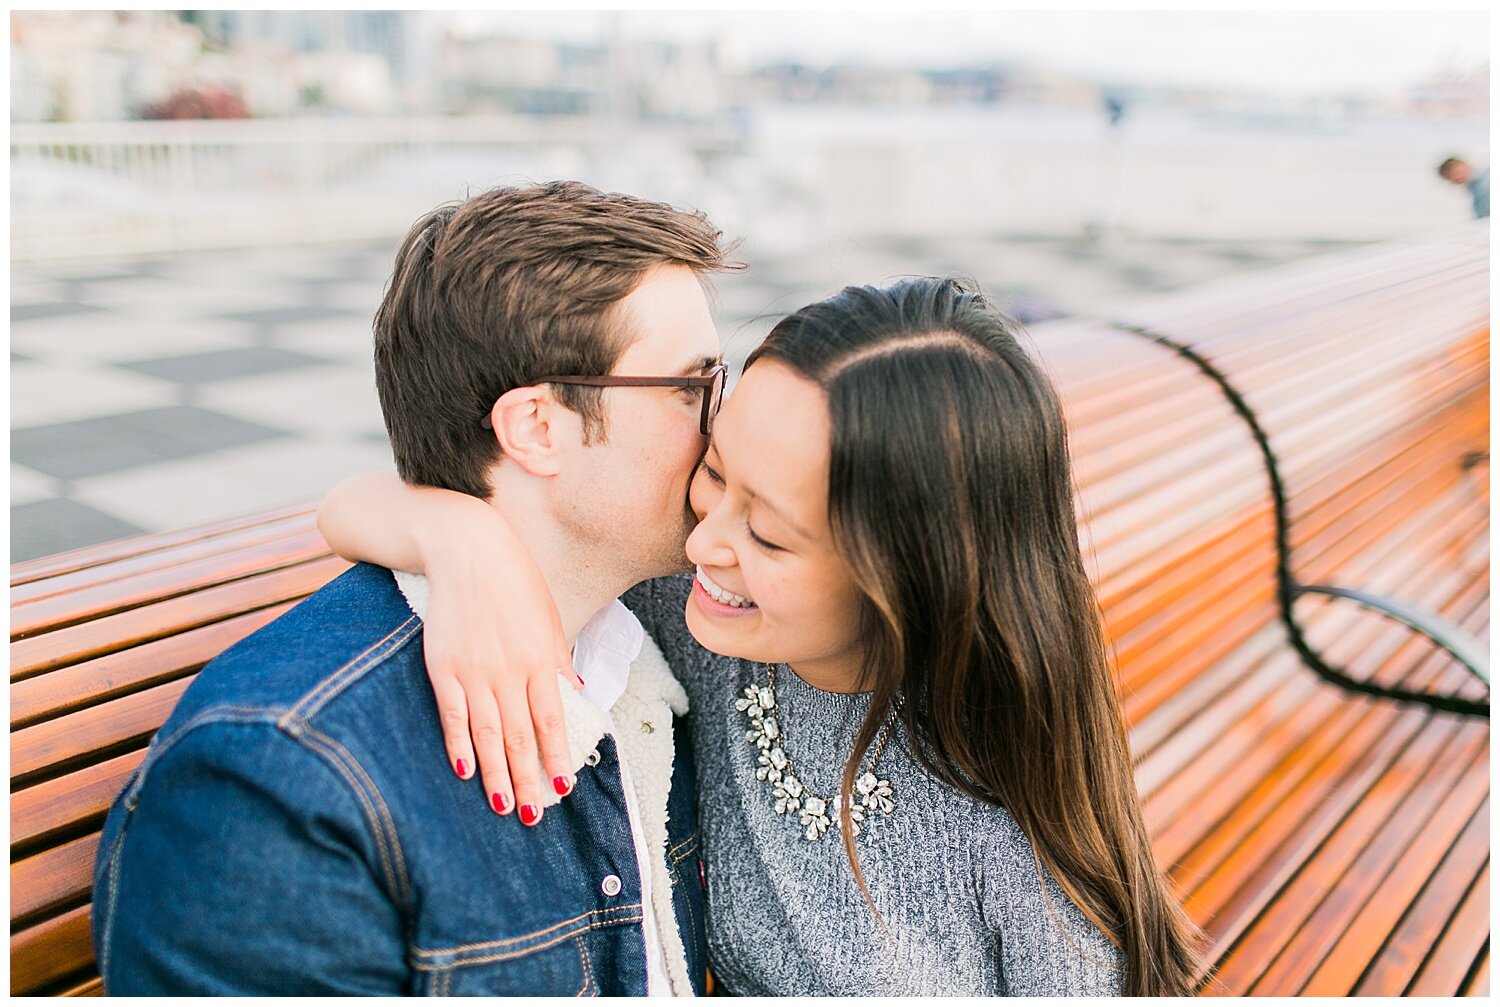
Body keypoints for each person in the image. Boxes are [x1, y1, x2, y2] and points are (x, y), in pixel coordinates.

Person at [318, 277, 1208, 995]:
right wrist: (460, 542)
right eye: (716, 470)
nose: (704, 542)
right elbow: (345, 505)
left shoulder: (1004, 820)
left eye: (771, 534)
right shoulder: (700, 617)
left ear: (909, 576)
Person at [90, 180, 735, 995]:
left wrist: (454, 533)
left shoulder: (652, 637)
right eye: (693, 384)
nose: (727, 423)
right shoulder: (277, 790)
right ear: (538, 427)